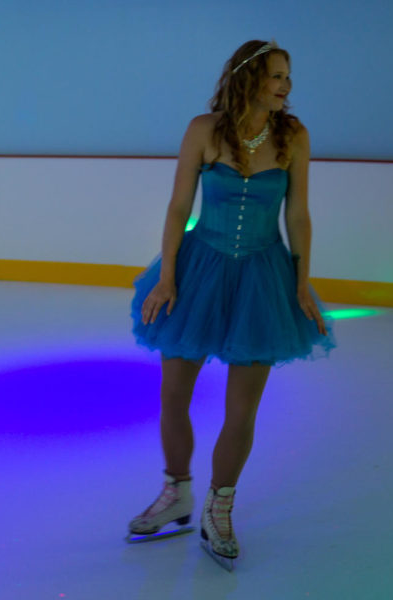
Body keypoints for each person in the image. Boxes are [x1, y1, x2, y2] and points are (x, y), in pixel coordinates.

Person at [126, 40, 336, 568]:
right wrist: (167, 276)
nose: (286, 85)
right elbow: (178, 207)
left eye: (288, 76)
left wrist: (300, 280)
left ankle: (220, 508)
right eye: (275, 76)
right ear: (247, 79)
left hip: (262, 277)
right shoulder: (204, 130)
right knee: (173, 393)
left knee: (241, 409)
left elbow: (299, 216)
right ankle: (177, 492)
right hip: (199, 270)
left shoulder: (294, 136)